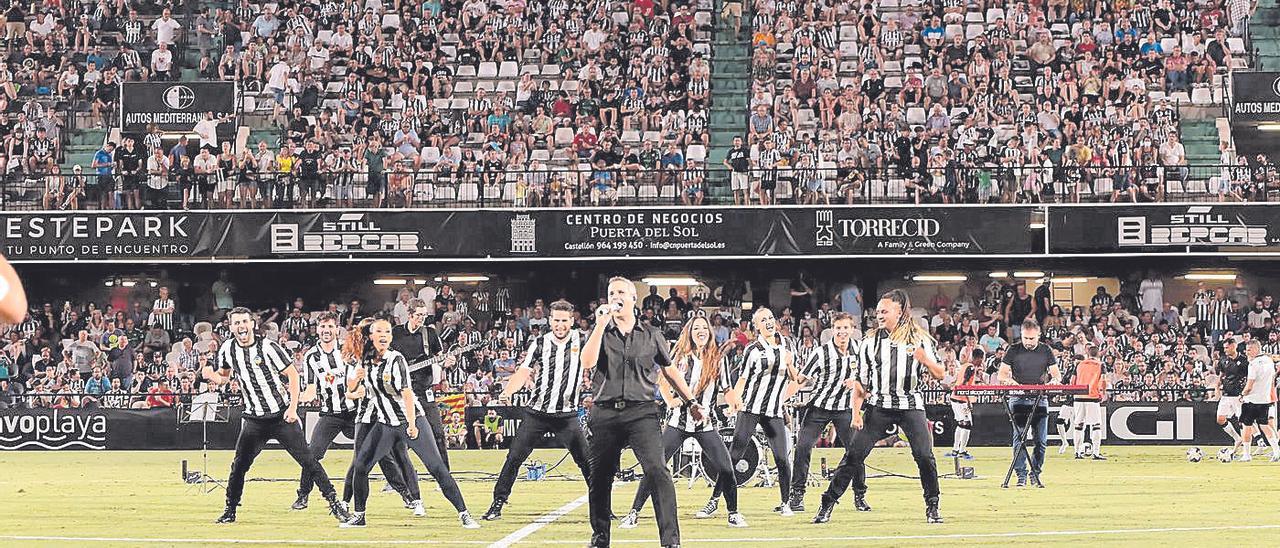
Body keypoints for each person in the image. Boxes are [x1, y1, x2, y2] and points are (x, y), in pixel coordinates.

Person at [201, 307, 350, 524]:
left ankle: (335, 503)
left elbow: (292, 375)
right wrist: (211, 376)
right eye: (237, 323)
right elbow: (224, 377)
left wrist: (292, 408)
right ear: (231, 327)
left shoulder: (268, 347)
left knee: (309, 461)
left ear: (252, 324)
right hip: (253, 419)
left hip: (280, 417)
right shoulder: (227, 349)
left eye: (245, 321)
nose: (241, 326)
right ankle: (230, 509)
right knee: (239, 466)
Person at [582, 277, 701, 548]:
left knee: (657, 470)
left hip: (641, 412)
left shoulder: (651, 334)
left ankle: (671, 541)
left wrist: (691, 401)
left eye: (621, 292)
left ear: (634, 299)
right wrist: (599, 325)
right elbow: (587, 363)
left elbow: (670, 371)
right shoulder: (601, 331)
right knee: (599, 477)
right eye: (612, 293)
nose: (616, 297)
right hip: (605, 412)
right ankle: (600, 538)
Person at [813, 290, 945, 525]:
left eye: (884, 311)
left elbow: (941, 374)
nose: (879, 315)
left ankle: (932, 505)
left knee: (924, 456)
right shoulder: (870, 342)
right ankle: (827, 504)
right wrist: (856, 412)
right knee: (854, 455)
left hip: (910, 405)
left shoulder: (919, 338)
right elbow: (861, 383)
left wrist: (925, 359)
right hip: (879, 406)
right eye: (878, 311)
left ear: (900, 311)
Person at [340, 317, 480, 528]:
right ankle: (359, 515)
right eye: (379, 331)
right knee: (360, 467)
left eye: (387, 332)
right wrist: (355, 379)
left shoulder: (396, 359)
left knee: (436, 467)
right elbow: (351, 392)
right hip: (385, 424)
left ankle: (464, 514)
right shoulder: (365, 361)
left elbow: (406, 393)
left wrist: (413, 425)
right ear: (371, 336)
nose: (384, 335)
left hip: (410, 420)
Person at [619, 316, 748, 529]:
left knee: (726, 468)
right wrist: (670, 400)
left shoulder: (717, 358)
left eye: (704, 328)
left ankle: (733, 513)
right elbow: (662, 379)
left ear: (710, 332)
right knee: (655, 467)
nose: (701, 331)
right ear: (689, 332)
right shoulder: (679, 355)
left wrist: (736, 403)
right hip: (677, 423)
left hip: (704, 424)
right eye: (696, 328)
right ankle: (634, 512)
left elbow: (727, 389)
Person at [290, 313, 413, 513]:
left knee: (379, 452)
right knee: (312, 454)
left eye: (330, 326)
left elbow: (366, 376)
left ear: (337, 329)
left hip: (355, 412)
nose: (326, 330)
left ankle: (405, 493)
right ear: (317, 329)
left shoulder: (349, 351)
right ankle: (303, 495)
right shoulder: (311, 356)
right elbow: (311, 389)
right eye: (322, 326)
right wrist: (297, 398)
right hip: (330, 414)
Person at [482, 300, 592, 521]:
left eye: (564, 321)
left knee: (587, 461)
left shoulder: (582, 340)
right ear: (550, 320)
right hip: (537, 413)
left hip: (567, 414)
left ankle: (602, 507)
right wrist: (508, 392)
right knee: (514, 457)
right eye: (556, 320)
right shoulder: (540, 343)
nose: (560, 325)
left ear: (572, 321)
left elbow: (595, 364)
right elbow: (524, 371)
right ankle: (498, 502)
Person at [699, 306, 802, 518]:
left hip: (773, 411)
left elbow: (796, 380)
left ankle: (785, 503)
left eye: (771, 318)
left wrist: (782, 396)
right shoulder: (753, 349)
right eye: (763, 320)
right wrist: (733, 402)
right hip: (750, 409)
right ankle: (714, 500)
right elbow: (743, 380)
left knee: (782, 458)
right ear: (756, 326)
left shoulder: (787, 345)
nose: (769, 322)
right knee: (734, 457)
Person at [786, 313, 857, 512]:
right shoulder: (820, 353)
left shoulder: (860, 350)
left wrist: (857, 382)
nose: (842, 332)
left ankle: (859, 494)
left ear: (852, 330)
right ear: (832, 330)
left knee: (856, 452)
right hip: (819, 408)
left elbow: (872, 373)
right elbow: (800, 380)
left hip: (844, 408)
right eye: (838, 328)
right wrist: (781, 399)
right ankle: (797, 494)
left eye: (845, 328)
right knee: (803, 447)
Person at [997, 320, 1062, 487]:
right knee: (1019, 438)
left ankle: (1035, 473)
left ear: (1038, 336)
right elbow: (1002, 375)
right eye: (1026, 338)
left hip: (1039, 398)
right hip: (1018, 398)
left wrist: (1054, 381)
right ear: (1022, 336)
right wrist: (1011, 382)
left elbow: (1056, 375)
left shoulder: (1046, 350)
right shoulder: (1013, 350)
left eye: (1032, 339)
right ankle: (1021, 475)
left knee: (1041, 441)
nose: (1028, 342)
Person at [390, 298, 455, 467]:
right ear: (409, 314)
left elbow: (440, 358)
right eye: (419, 315)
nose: (422, 319)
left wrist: (446, 363)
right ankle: (399, 477)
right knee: (398, 438)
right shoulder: (395, 333)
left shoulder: (430, 334)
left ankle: (445, 474)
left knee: (438, 433)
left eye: (425, 315)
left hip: (424, 391)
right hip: (401, 393)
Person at [1235, 340, 1280, 462]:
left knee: (1246, 426)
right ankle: (1277, 451)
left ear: (1255, 349)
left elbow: (1249, 386)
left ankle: (1246, 454)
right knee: (1265, 425)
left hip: (1251, 400)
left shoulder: (1253, 364)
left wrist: (1242, 394)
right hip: (1265, 399)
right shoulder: (1269, 361)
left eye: (1249, 349)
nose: (1247, 352)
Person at [945, 347, 982, 459]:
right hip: (961, 400)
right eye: (981, 359)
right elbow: (964, 385)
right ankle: (962, 451)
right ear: (979, 358)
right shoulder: (970, 368)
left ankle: (955, 450)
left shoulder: (964, 365)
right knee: (967, 424)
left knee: (961, 423)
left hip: (954, 398)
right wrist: (969, 401)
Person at [1070, 347, 1107, 460]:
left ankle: (1077, 452)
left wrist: (1074, 393)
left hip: (1079, 397)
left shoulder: (1079, 364)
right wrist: (1102, 393)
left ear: (1087, 353)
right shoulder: (1100, 365)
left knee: (1078, 424)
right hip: (1092, 396)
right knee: (1096, 425)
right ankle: (1095, 453)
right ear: (1098, 354)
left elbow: (1072, 380)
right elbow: (1103, 380)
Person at [1215, 338, 1248, 449]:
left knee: (1243, 422)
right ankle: (1237, 438)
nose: (1225, 350)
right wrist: (1217, 387)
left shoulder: (1244, 360)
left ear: (1234, 346)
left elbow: (1250, 377)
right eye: (1224, 348)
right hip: (1226, 394)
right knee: (1220, 419)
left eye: (1227, 347)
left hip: (1239, 395)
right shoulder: (1223, 360)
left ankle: (1250, 445)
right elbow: (1221, 375)